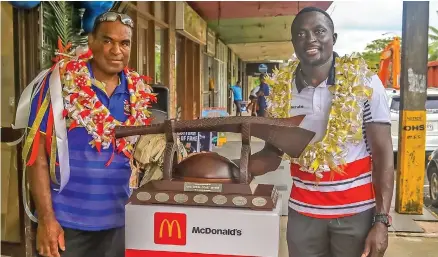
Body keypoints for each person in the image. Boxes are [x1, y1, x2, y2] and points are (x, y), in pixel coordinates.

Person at [247, 7, 394, 257]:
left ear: (333, 38)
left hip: (355, 213)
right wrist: (237, 169)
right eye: (301, 34)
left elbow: (383, 154)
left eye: (319, 31)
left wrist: (381, 220)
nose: (311, 39)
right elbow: (273, 154)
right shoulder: (281, 90)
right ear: (293, 43)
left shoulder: (365, 83)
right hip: (303, 214)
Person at [23, 12, 155, 257]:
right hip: (65, 225)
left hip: (120, 222)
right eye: (108, 41)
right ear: (91, 41)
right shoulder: (57, 85)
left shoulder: (139, 93)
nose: (117, 50)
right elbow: (36, 155)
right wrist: (46, 219)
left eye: (124, 43)